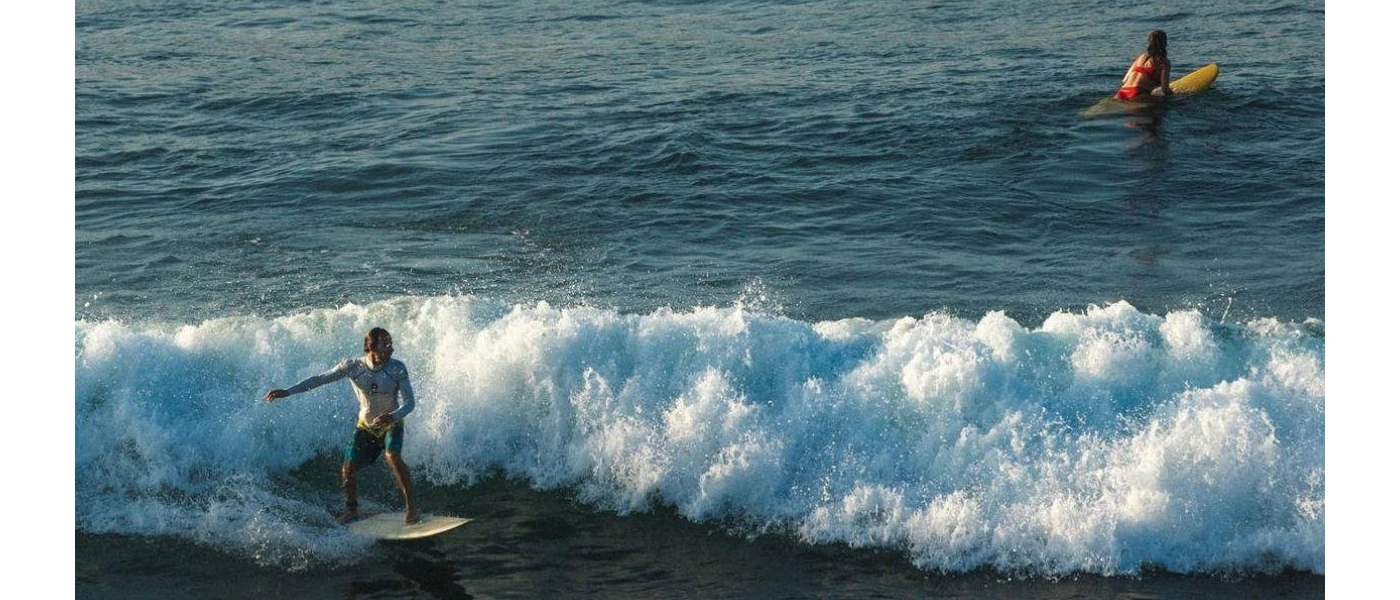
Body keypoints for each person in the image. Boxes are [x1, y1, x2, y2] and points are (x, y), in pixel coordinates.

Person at [264, 327, 420, 524]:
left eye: (391, 344)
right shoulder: (353, 367)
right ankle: (352, 510)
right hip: (366, 426)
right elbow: (319, 379)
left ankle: (412, 508)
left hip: (392, 424)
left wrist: (392, 417)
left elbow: (410, 403)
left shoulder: (397, 368)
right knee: (348, 468)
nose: (390, 349)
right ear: (370, 347)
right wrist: (288, 391)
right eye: (385, 345)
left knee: (393, 457)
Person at [1115, 30, 1172, 101]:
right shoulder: (1164, 62)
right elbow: (1165, 89)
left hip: (1121, 93)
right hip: (1138, 94)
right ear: (1165, 43)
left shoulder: (1141, 57)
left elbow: (1125, 80)